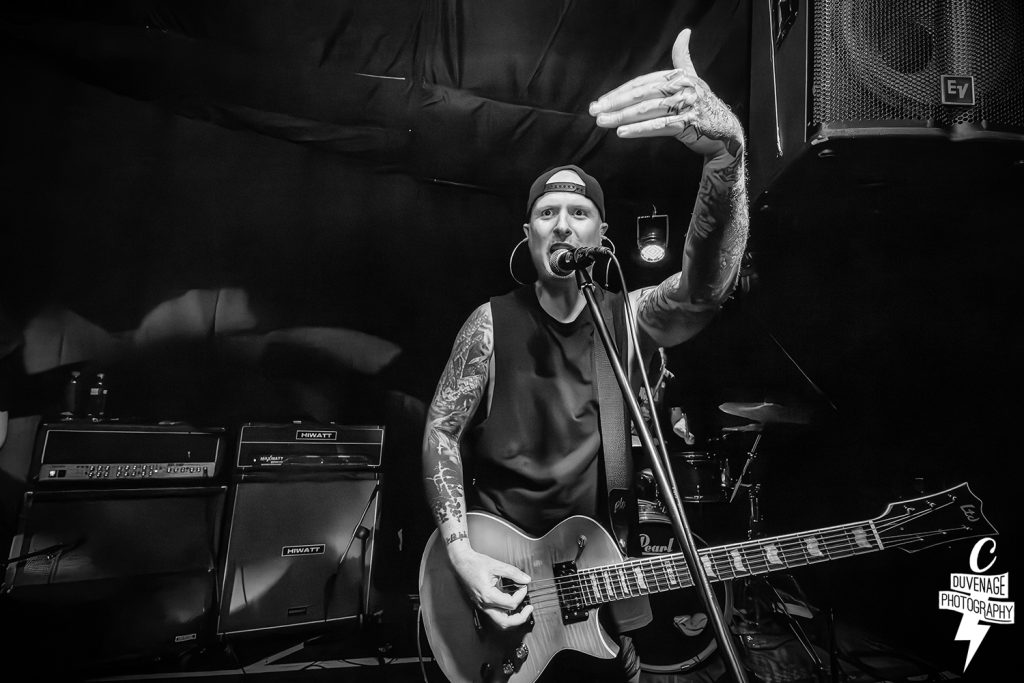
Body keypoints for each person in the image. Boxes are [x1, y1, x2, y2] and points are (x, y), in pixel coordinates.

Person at [421, 28, 748, 682]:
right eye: (546, 212)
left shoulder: (627, 316)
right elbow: (441, 429)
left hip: (591, 582)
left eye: (577, 210)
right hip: (505, 579)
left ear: (600, 232)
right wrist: (460, 553)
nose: (562, 222)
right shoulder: (490, 325)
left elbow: (706, 288)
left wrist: (726, 162)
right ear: (528, 234)